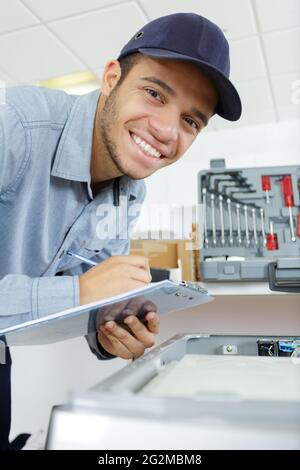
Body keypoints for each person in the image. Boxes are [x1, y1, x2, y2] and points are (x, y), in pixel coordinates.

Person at [0, 12, 241, 448]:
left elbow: (86, 290)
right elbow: (77, 291)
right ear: (111, 77)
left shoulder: (130, 195)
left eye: (191, 121)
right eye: (154, 93)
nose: (167, 131)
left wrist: (110, 328)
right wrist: (79, 295)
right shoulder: (13, 126)